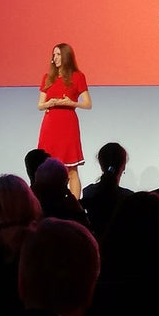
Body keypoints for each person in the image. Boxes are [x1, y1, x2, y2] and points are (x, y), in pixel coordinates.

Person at [37, 42, 91, 199]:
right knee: (46, 167)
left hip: (68, 124)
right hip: (50, 124)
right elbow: (40, 105)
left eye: (59, 54)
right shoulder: (47, 78)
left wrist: (71, 103)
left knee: (72, 169)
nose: (55, 58)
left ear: (66, 56)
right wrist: (49, 103)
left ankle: (74, 205)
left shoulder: (78, 76)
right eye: (54, 55)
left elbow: (88, 104)